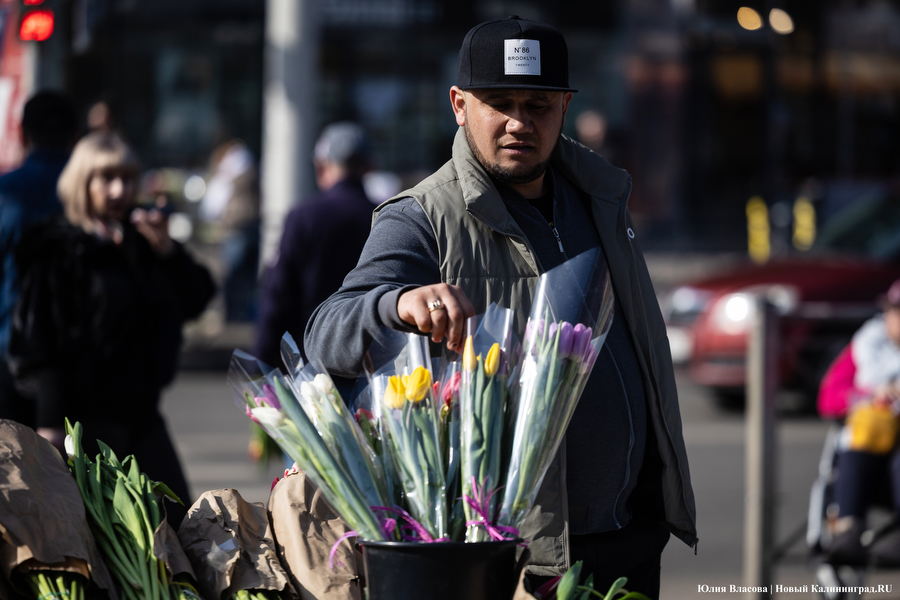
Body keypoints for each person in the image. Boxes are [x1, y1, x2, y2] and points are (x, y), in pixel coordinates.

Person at [304, 17, 697, 596]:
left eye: (537, 104)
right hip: (517, 557)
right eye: (500, 103)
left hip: (633, 537)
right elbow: (325, 331)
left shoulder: (602, 197)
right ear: (460, 106)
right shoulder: (419, 216)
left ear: (564, 106)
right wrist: (397, 301)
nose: (519, 122)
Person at [7, 132, 216, 528]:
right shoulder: (58, 247)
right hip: (83, 424)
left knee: (177, 530)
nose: (120, 189)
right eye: (106, 178)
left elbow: (195, 298)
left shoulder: (139, 241)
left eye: (127, 177)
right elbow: (43, 343)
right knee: (100, 541)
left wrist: (168, 252)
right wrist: (51, 429)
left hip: (142, 416)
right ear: (82, 183)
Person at [253, 122, 374, 371]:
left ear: (322, 167)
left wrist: (260, 365)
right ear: (368, 167)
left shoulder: (304, 217)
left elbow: (277, 298)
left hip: (309, 367)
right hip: (371, 369)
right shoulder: (386, 216)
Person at [0, 91, 77, 428]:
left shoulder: (6, 194)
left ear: (22, 134)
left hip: (8, 350)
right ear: (76, 137)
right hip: (77, 361)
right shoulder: (91, 196)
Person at [818, 278, 900, 566]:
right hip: (868, 449)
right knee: (854, 454)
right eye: (895, 311)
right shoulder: (866, 345)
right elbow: (828, 399)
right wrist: (871, 396)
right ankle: (848, 531)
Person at [199, 138, 261, 322]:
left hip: (235, 229)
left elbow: (211, 207)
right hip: (253, 228)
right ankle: (241, 317)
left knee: (232, 279)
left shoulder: (227, 177)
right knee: (247, 281)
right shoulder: (252, 171)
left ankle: (232, 319)